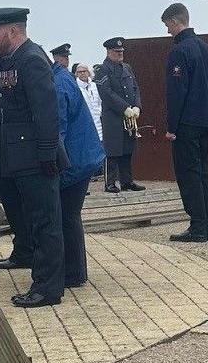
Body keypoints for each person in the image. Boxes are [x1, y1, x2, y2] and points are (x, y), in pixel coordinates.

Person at [0, 7, 66, 308]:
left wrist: (45, 153)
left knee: (46, 222)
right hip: (22, 155)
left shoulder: (31, 59)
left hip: (36, 156)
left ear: (12, 30)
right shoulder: (12, 60)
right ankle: (44, 282)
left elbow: (46, 111)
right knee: (37, 220)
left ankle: (48, 288)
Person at [162, 3, 208, 242]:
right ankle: (207, 227)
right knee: (204, 174)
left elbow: (177, 92)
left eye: (167, 26)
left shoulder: (179, 52)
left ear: (176, 22)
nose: (167, 32)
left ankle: (197, 227)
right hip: (206, 119)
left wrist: (171, 127)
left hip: (186, 123)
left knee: (188, 174)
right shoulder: (206, 49)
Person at [53, 55, 105, 288]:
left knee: (68, 215)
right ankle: (75, 271)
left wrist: (54, 162)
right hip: (82, 156)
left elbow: (59, 127)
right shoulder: (63, 78)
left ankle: (73, 273)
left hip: (75, 159)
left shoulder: (58, 84)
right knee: (70, 215)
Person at [96, 37, 145, 193]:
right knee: (113, 150)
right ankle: (110, 182)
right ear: (109, 51)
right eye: (117, 52)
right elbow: (106, 93)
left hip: (129, 117)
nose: (120, 54)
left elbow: (135, 88)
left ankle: (126, 181)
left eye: (121, 52)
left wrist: (137, 106)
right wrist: (124, 107)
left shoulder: (127, 68)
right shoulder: (102, 70)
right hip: (113, 116)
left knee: (127, 149)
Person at [75, 63, 103, 141]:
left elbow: (100, 101)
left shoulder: (95, 85)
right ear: (77, 74)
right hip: (84, 124)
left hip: (99, 123)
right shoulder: (75, 87)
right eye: (80, 72)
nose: (82, 73)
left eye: (84, 71)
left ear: (88, 72)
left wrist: (99, 111)